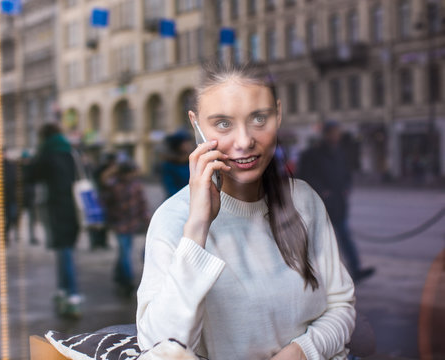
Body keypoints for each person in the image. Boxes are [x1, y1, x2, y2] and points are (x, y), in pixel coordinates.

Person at [136, 60, 355, 360]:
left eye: (259, 119)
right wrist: (197, 228)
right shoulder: (173, 219)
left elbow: (341, 307)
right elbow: (157, 347)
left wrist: (302, 352)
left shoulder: (304, 200)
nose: (244, 142)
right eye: (223, 123)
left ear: (277, 114)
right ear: (196, 124)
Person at [297, 121, 374, 283]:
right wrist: (322, 192)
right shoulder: (312, 154)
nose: (336, 136)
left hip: (338, 206)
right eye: (333, 132)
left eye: (337, 132)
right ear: (325, 134)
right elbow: (304, 178)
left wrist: (346, 188)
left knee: (345, 238)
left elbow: (346, 174)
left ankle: (356, 269)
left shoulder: (340, 153)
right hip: (319, 207)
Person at [26, 123, 82, 318]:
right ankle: (63, 290)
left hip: (56, 208)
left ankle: (72, 295)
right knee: (64, 250)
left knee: (64, 251)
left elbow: (30, 176)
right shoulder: (71, 153)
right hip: (75, 207)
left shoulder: (45, 154)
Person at [101, 154, 149, 297]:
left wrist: (146, 219)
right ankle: (127, 281)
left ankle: (119, 277)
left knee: (124, 252)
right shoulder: (113, 185)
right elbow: (105, 202)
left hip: (131, 223)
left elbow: (142, 203)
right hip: (120, 224)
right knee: (125, 253)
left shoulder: (135, 185)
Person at [160, 130, 193, 198]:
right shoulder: (169, 164)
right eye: (186, 143)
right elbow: (170, 187)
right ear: (178, 145)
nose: (189, 145)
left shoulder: (192, 160)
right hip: (178, 200)